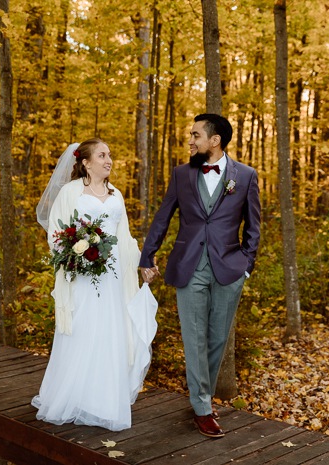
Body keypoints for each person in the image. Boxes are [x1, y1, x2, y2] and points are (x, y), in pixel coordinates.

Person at [140, 114, 261, 438]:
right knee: (194, 338)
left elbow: (253, 225)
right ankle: (202, 406)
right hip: (189, 265)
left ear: (215, 140)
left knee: (217, 339)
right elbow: (163, 216)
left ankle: (202, 396)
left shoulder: (246, 176)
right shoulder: (181, 174)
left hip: (228, 269)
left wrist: (246, 266)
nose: (190, 140)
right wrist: (147, 254)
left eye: (195, 135)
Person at [32, 138, 157, 431]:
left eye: (110, 155)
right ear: (86, 163)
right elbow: (56, 231)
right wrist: (74, 256)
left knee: (111, 331)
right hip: (83, 275)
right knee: (83, 330)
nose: (109, 160)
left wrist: (142, 265)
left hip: (114, 277)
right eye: (102, 155)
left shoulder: (117, 195)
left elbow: (125, 237)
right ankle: (74, 396)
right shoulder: (70, 192)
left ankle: (103, 401)